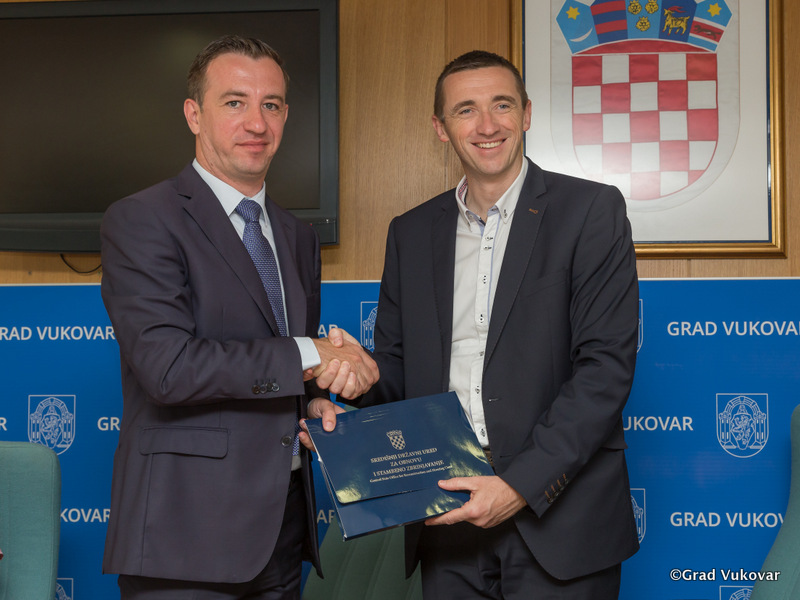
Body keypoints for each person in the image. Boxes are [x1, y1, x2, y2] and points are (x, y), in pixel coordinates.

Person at [321, 50, 640, 599]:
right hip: (446, 510)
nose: (487, 125)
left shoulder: (590, 210)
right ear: (440, 127)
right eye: (466, 110)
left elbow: (604, 371)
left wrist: (518, 486)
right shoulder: (411, 232)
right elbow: (398, 373)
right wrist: (355, 377)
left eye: (502, 105)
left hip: (559, 515)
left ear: (527, 113)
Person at [100, 35, 376, 600]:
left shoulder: (298, 236)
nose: (256, 122)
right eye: (234, 102)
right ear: (193, 115)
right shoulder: (143, 219)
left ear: (285, 117)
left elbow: (279, 367)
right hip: (185, 536)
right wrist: (312, 353)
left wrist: (313, 399)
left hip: (281, 532)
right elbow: (168, 368)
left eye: (270, 104)